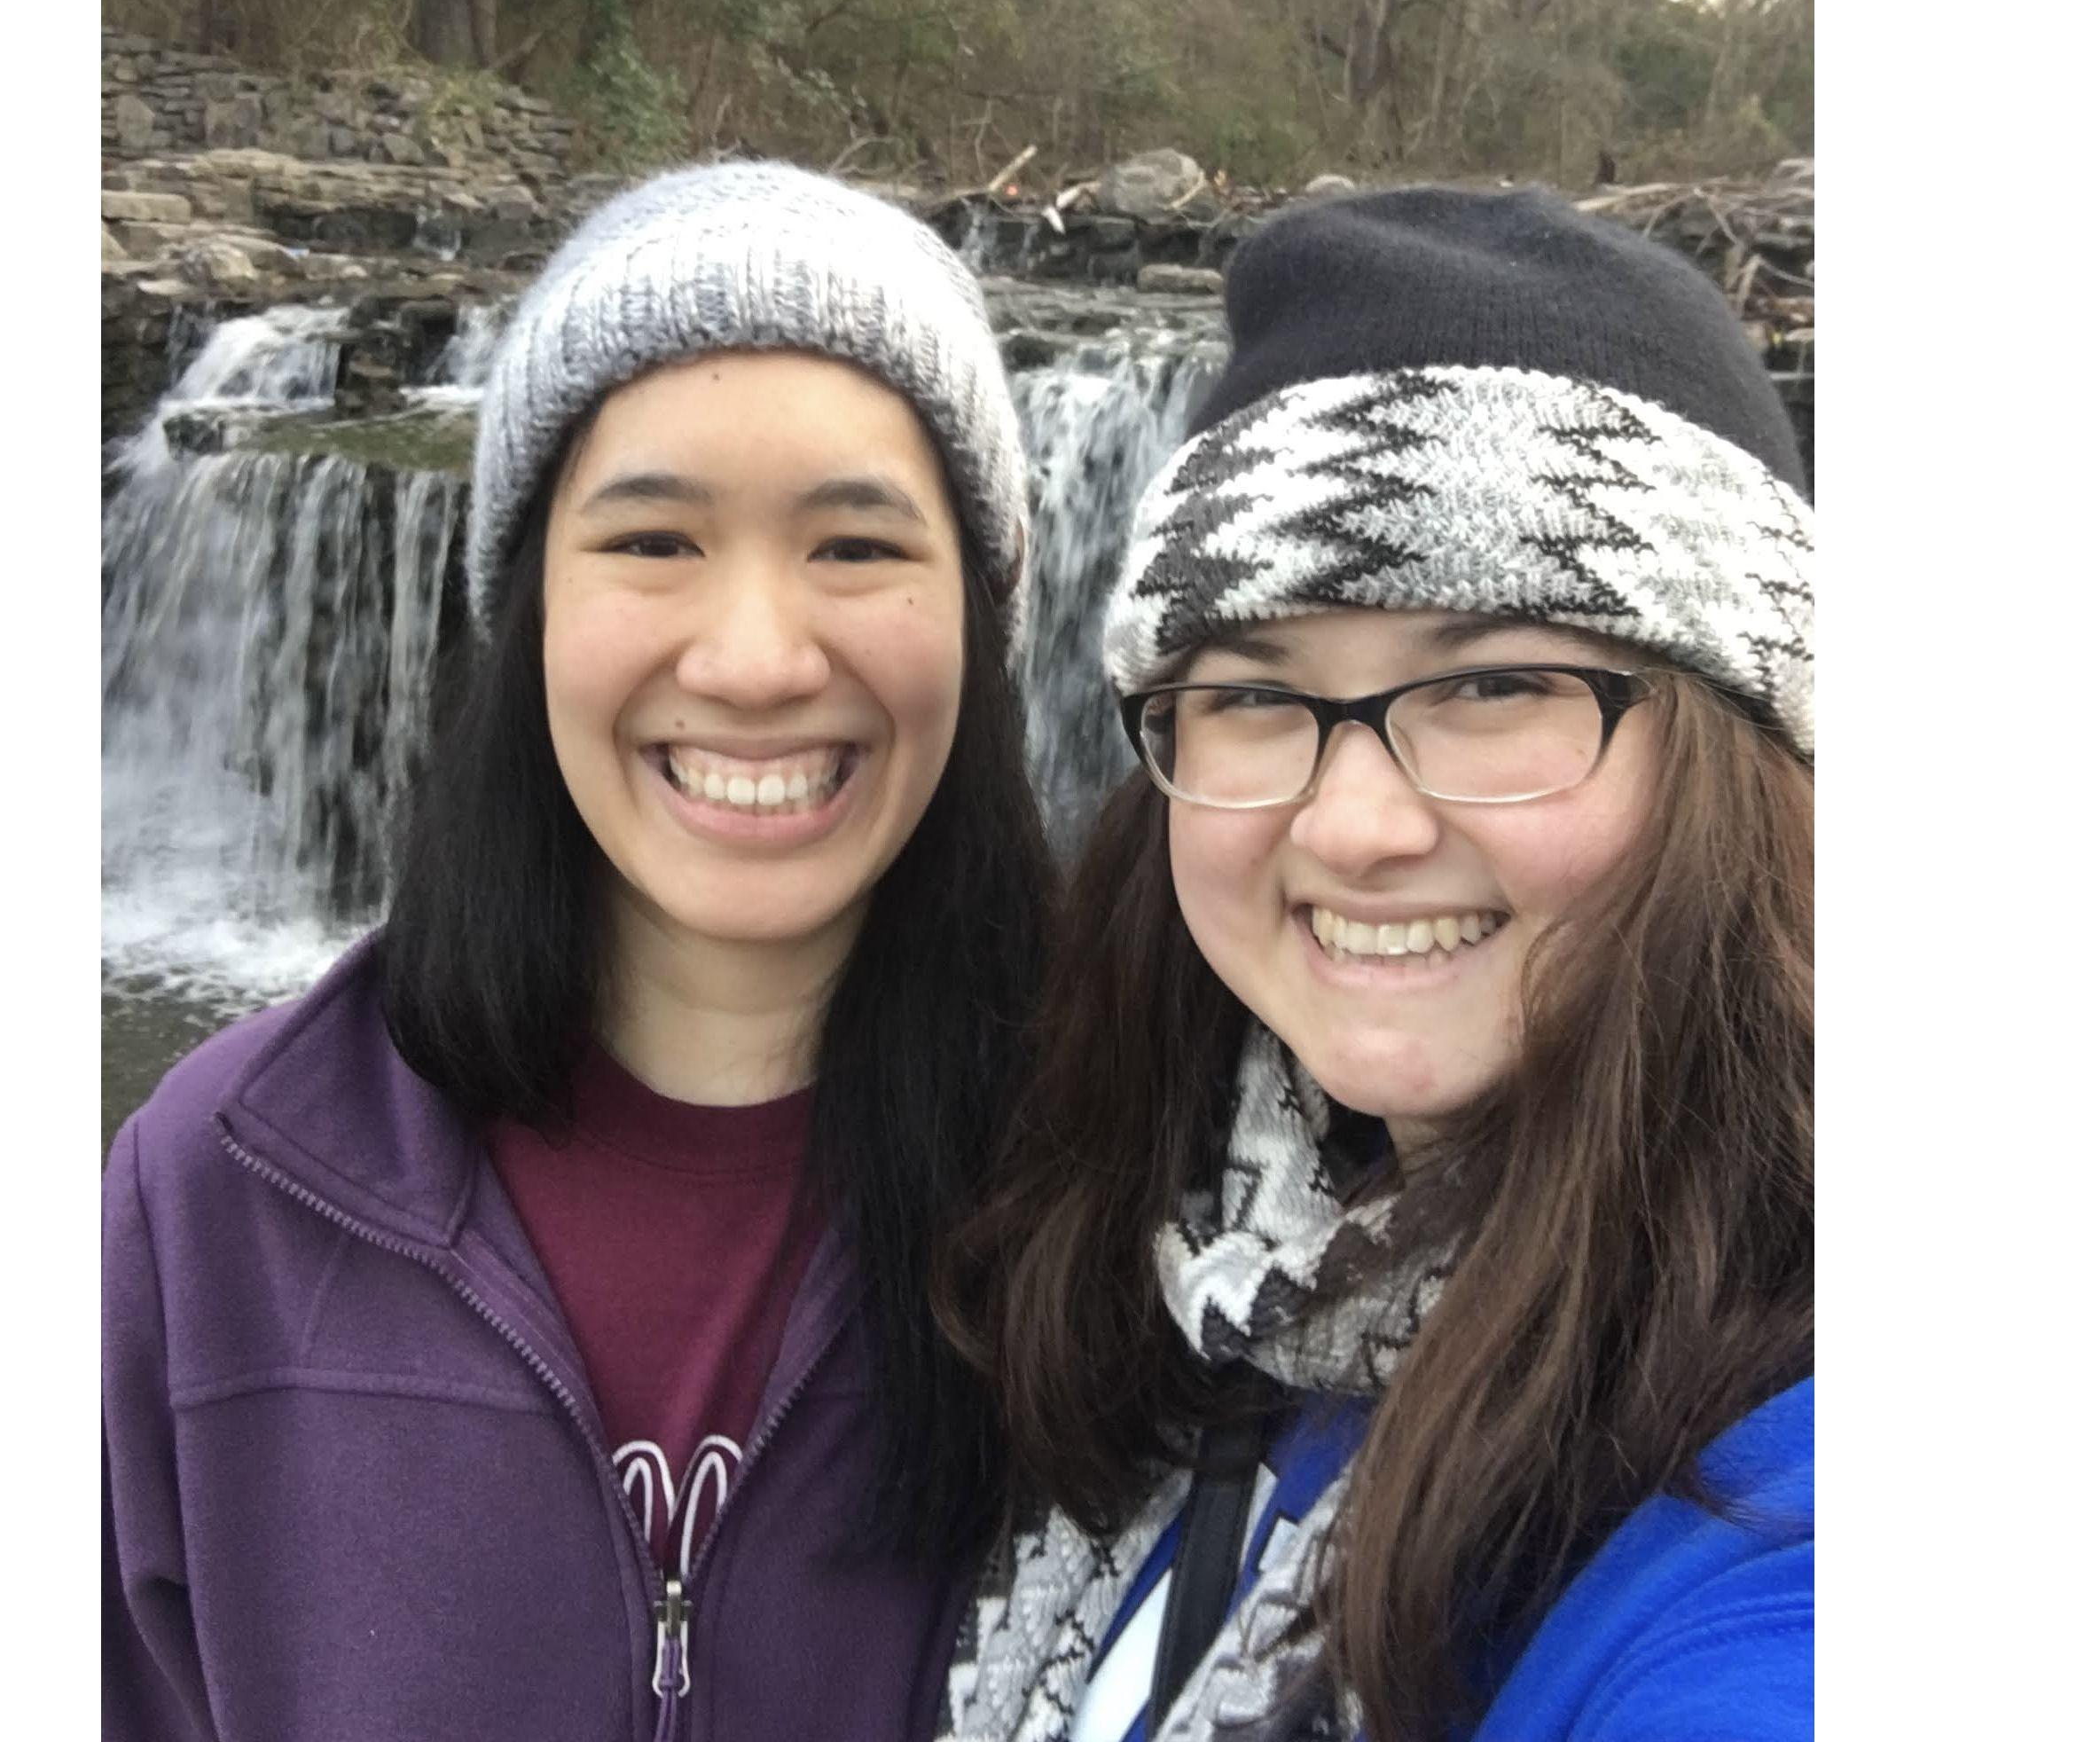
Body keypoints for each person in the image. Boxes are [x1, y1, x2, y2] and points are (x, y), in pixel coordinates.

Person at [104, 162, 1055, 1742]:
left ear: (979, 613)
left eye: (855, 548)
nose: (754, 660)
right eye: (653, 541)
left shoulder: (1136, 1194)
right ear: (529, 600)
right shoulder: (214, 1202)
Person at [939, 184, 1814, 1742]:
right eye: (1259, 697)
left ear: (1741, 752)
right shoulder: (1207, 1271)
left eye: (1488, 684)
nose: (1352, 826)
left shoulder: (1784, 1514)